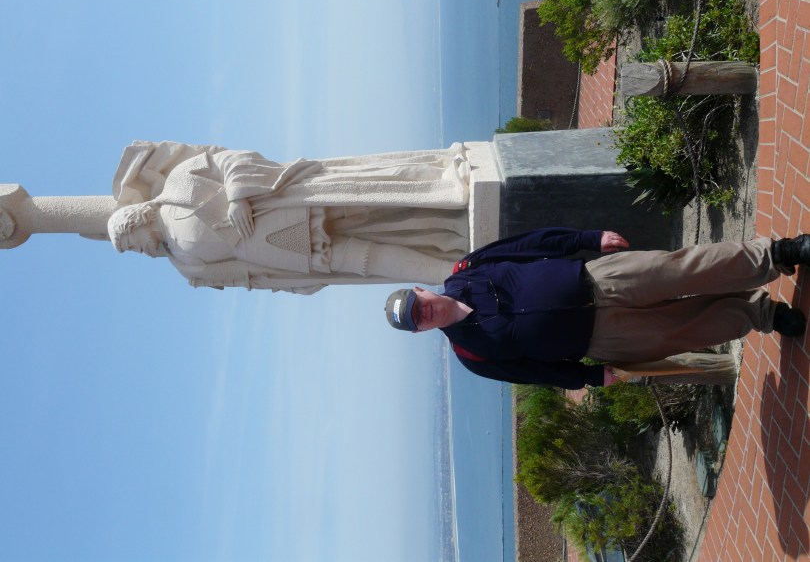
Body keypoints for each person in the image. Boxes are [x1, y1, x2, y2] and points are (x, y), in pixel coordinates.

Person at [384, 227, 809, 389]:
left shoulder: (469, 268)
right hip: (600, 339)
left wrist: (587, 239)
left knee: (685, 268)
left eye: (417, 304)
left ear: (421, 290)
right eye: (416, 320)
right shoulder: (471, 355)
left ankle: (778, 253)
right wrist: (587, 376)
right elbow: (533, 373)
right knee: (685, 331)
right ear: (420, 331)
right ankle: (763, 314)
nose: (424, 313)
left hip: (599, 278)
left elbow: (529, 244)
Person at [107, 141, 471, 293]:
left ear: (137, 220)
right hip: (291, 256)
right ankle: (455, 270)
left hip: (290, 205)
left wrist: (237, 196)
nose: (140, 251)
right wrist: (290, 282)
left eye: (131, 245)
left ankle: (440, 190)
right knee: (368, 260)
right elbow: (246, 277)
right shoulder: (187, 268)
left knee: (374, 200)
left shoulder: (178, 184)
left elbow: (230, 159)